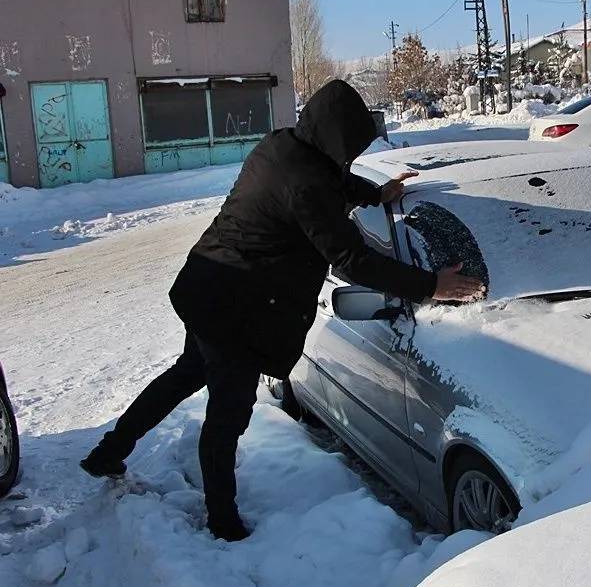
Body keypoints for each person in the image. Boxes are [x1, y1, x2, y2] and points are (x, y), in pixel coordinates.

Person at [80, 80, 484, 541]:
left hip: (210, 285)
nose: (350, 154)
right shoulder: (307, 181)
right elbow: (353, 259)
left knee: (186, 374)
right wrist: (432, 284)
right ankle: (222, 521)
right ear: (335, 137)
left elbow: (330, 180)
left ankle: (108, 453)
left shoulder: (285, 145)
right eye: (350, 144)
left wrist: (376, 193)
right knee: (228, 412)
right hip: (233, 305)